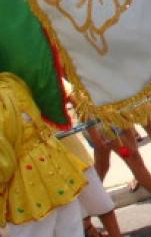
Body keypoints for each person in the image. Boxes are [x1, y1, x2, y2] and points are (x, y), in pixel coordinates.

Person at [1, 72, 88, 236]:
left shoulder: (7, 91)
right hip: (55, 164)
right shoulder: (13, 82)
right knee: (71, 230)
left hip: (24, 184)